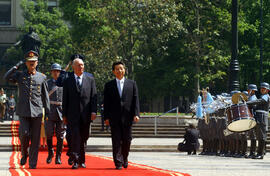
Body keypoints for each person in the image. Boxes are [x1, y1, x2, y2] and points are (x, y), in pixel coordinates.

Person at [4, 50, 50, 169]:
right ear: (26, 63)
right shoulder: (20, 75)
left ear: (37, 62)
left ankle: (32, 163)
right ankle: (24, 153)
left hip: (37, 111)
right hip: (23, 111)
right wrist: (16, 66)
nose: (31, 64)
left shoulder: (42, 77)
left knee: (35, 139)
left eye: (33, 62)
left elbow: (45, 96)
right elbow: (6, 77)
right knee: (24, 134)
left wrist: (48, 112)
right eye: (29, 62)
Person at [104, 61, 140, 170]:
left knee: (127, 140)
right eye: (117, 69)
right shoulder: (109, 85)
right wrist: (106, 117)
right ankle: (118, 162)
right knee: (116, 140)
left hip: (128, 117)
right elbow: (106, 102)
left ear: (124, 70)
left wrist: (136, 114)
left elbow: (136, 100)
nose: (120, 70)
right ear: (113, 71)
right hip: (114, 117)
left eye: (121, 68)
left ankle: (125, 157)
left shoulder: (132, 84)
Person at [62, 57, 97, 169]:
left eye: (82, 65)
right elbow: (65, 99)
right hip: (72, 115)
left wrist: (94, 111)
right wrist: (64, 114)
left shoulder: (90, 79)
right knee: (74, 136)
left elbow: (93, 97)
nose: (81, 67)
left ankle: (81, 159)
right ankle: (76, 160)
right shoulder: (68, 80)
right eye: (78, 65)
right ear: (73, 67)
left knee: (84, 137)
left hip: (85, 115)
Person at [45, 63, 66, 165]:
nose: (55, 73)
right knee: (49, 134)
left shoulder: (64, 83)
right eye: (54, 71)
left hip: (61, 112)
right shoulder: (47, 83)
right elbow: (43, 98)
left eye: (58, 71)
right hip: (50, 111)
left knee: (60, 136)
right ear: (51, 72)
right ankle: (50, 152)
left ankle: (58, 156)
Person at [247, 82, 269, 159]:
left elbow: (260, 101)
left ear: (267, 90)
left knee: (262, 136)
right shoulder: (262, 96)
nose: (262, 90)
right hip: (259, 117)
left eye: (264, 89)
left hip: (262, 117)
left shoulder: (266, 96)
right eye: (261, 88)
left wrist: (248, 102)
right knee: (259, 136)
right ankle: (258, 153)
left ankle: (260, 154)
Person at [245, 84, 258, 159]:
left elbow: (252, 107)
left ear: (253, 91)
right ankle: (251, 152)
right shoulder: (250, 97)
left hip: (253, 118)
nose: (248, 91)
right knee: (252, 136)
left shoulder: (253, 98)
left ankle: (252, 152)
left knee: (253, 136)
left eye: (249, 90)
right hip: (251, 118)